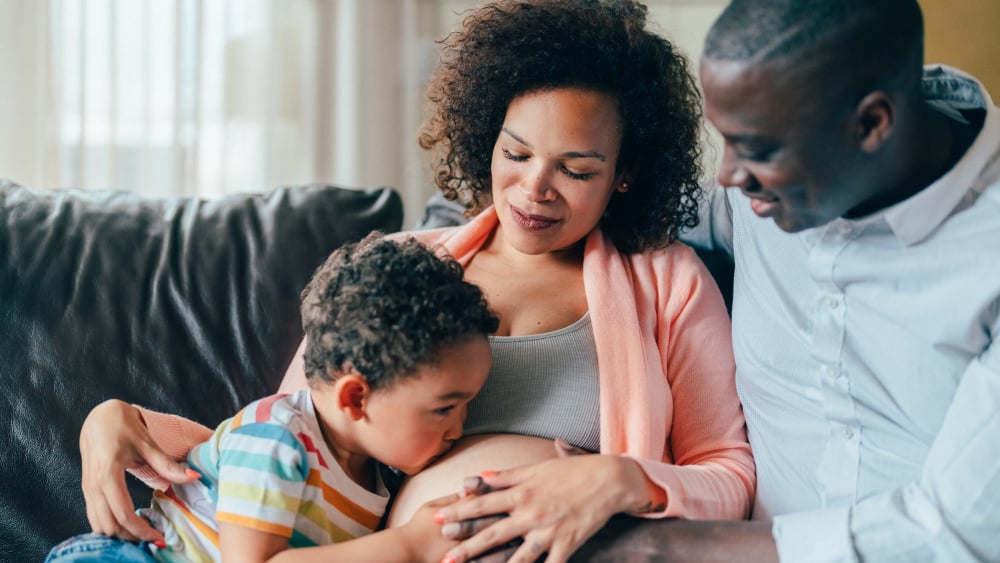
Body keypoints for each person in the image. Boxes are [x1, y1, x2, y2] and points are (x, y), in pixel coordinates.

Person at [77, 1, 756, 562]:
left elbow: (729, 471)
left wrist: (615, 478)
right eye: (515, 153)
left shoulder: (666, 281)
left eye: (576, 170)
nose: (534, 189)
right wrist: (114, 419)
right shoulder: (400, 267)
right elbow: (295, 436)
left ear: (624, 173)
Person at [632, 0, 998, 561]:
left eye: (755, 150)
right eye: (724, 140)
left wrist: (644, 548)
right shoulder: (763, 195)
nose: (727, 174)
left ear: (872, 123)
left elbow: (953, 532)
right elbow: (623, 202)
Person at [51, 234, 498, 562]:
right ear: (357, 399)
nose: (459, 427)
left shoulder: (373, 477)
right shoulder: (276, 436)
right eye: (445, 407)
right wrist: (412, 545)